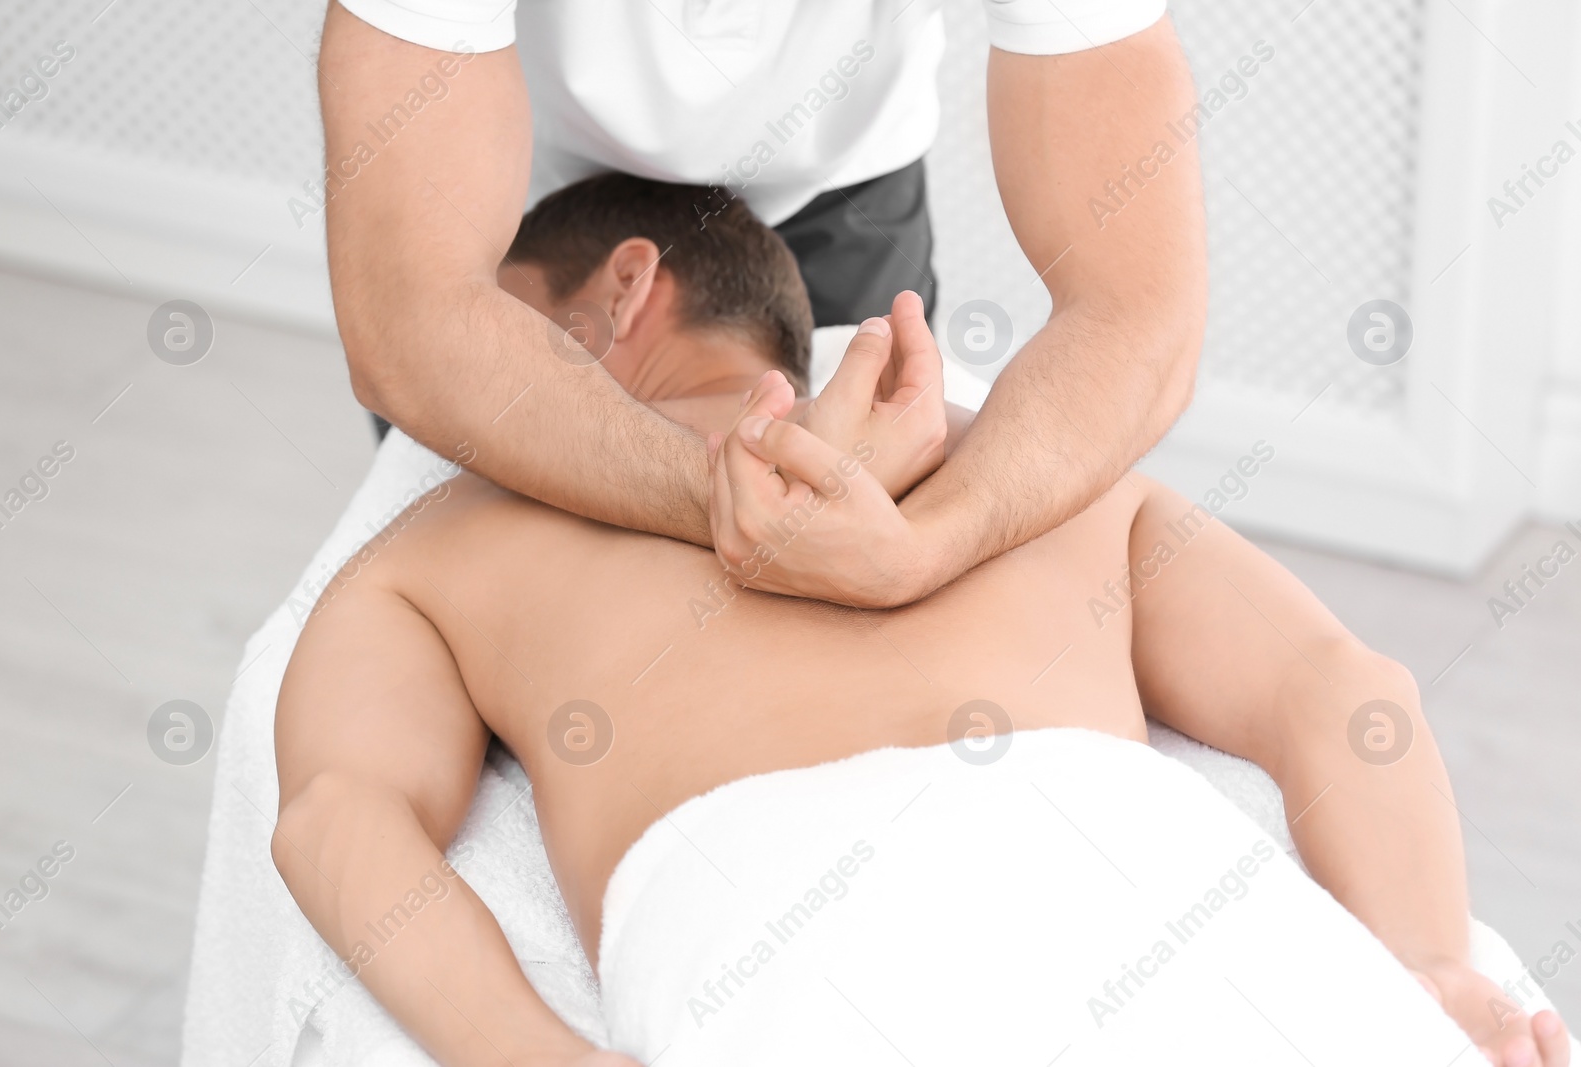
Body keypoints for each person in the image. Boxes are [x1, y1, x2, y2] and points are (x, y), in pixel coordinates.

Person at [273, 176, 1570, 1067]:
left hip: (792, 956)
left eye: (495, 328)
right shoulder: (1046, 485)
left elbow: (338, 822)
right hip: (1168, 906)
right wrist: (1423, 966)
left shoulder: (439, 549)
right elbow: (1352, 693)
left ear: (623, 289)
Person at [317, 0, 1207, 608]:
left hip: (843, 181)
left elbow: (1137, 310)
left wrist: (929, 541)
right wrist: (731, 496)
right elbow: (412, 324)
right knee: (478, 566)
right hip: (528, 188)